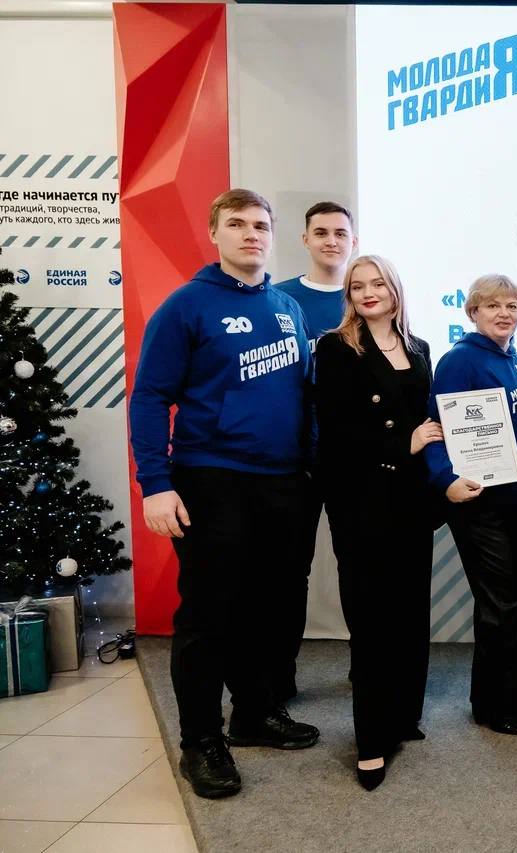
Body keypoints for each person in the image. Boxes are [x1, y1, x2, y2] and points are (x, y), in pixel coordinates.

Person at [130, 189, 320, 800]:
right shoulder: (186, 305)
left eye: (260, 225)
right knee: (209, 616)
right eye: (236, 224)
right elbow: (150, 397)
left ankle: (254, 714)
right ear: (215, 233)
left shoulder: (287, 307)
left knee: (267, 609)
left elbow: (302, 397)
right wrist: (156, 484)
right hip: (211, 477)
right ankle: (201, 742)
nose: (250, 234)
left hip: (283, 482)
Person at [314, 255, 438, 791]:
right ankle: (370, 741)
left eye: (378, 283)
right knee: (371, 621)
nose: (368, 292)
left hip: (412, 500)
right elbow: (335, 430)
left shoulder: (420, 347)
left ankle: (402, 716)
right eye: (357, 285)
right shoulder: (336, 348)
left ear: (394, 289)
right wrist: (400, 444)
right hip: (362, 500)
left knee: (409, 613)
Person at [426, 275, 517, 735]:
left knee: (509, 601)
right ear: (473, 312)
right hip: (478, 503)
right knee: (505, 602)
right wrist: (445, 479)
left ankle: (495, 699)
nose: (504, 313)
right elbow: (436, 428)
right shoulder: (460, 361)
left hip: (516, 501)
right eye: (492, 305)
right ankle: (498, 708)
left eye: (512, 306)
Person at [270, 200, 357, 704]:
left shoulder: (366, 298)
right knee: (287, 573)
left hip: (352, 461)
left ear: (353, 241)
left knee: (358, 568)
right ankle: (278, 678)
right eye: (321, 232)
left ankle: (366, 671)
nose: (331, 240)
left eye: (340, 233)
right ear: (304, 239)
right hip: (294, 460)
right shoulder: (281, 300)